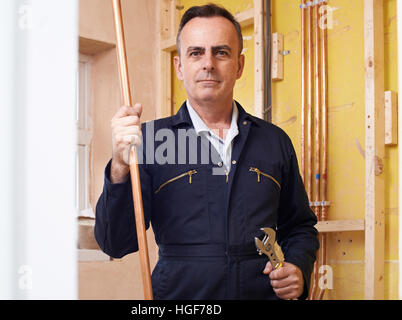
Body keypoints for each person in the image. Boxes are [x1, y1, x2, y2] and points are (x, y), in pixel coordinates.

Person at [95, 3, 319, 300]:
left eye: (221, 52)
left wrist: (298, 267)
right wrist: (120, 167)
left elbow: (300, 226)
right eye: (196, 52)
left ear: (239, 65)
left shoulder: (274, 142)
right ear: (179, 66)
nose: (208, 63)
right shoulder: (151, 141)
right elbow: (114, 242)